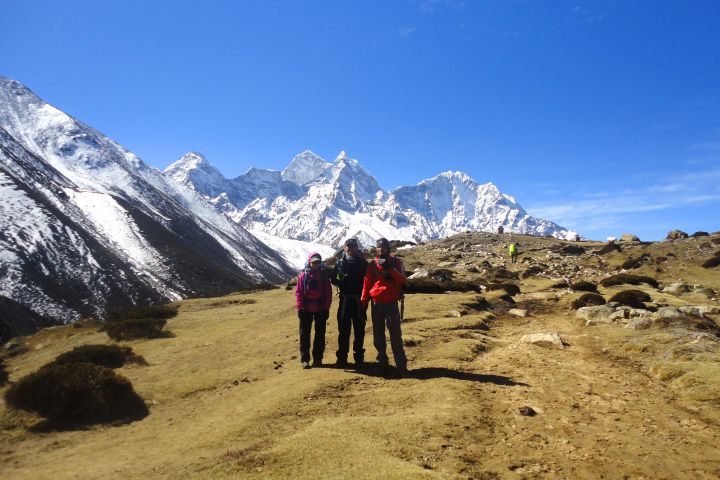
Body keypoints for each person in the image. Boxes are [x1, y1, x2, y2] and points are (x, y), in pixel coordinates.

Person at [361, 238, 408, 376]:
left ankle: (401, 365)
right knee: (378, 335)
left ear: (388, 248)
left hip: (391, 303)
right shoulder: (372, 265)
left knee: (395, 335)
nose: (381, 249)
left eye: (383, 246)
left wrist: (389, 268)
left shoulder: (396, 262)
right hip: (376, 303)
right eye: (378, 247)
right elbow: (367, 282)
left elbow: (403, 280)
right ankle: (382, 362)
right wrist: (364, 300)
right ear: (376, 249)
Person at [331, 238, 369, 367]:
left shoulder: (363, 263)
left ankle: (359, 357)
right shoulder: (340, 263)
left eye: (353, 246)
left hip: (359, 301)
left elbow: (368, 281)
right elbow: (334, 280)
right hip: (345, 300)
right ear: (344, 247)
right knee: (343, 330)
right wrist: (343, 277)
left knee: (359, 331)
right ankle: (342, 358)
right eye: (348, 246)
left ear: (356, 247)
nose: (350, 248)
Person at [295, 252, 332, 369]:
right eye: (314, 262)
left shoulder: (324, 276)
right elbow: (299, 293)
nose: (316, 264)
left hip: (320, 309)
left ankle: (317, 359)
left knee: (320, 335)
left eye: (318, 262)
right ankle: (305, 360)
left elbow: (328, 293)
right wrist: (300, 308)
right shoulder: (303, 276)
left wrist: (326, 308)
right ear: (309, 262)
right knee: (304, 335)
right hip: (306, 309)